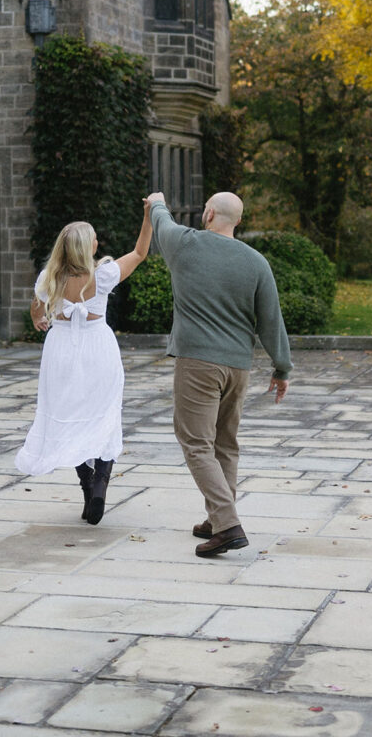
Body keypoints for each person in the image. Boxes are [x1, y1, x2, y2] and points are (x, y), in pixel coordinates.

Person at [145, 190, 292, 557]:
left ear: (208, 213)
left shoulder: (184, 244)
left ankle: (227, 525)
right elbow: (271, 320)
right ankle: (216, 518)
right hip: (238, 367)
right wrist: (282, 367)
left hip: (198, 363)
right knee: (224, 443)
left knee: (196, 443)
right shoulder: (256, 262)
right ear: (238, 221)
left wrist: (158, 200)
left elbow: (160, 220)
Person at [14, 203, 152, 524]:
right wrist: (147, 216)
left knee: (69, 415)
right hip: (98, 349)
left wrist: (39, 320)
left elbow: (37, 310)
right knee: (104, 415)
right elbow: (140, 252)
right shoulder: (102, 276)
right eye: (93, 239)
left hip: (61, 351)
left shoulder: (49, 278)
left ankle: (87, 486)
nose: (97, 243)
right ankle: (101, 484)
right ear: (84, 247)